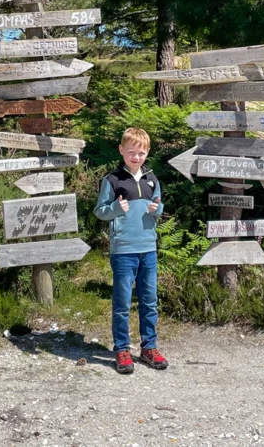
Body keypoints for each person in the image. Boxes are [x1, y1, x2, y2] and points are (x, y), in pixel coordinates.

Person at [94, 127, 168, 374]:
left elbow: (159, 207)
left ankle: (149, 348)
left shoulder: (152, 179)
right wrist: (115, 208)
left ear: (147, 153)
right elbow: (100, 211)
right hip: (123, 250)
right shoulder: (113, 180)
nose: (136, 157)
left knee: (149, 301)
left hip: (148, 248)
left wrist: (156, 210)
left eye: (142, 152)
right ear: (121, 151)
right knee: (122, 303)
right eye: (132, 152)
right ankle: (122, 349)